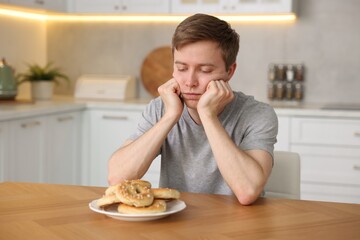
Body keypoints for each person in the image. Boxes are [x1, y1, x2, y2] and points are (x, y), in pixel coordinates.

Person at [108, 13, 278, 205]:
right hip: (176, 224)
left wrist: (208, 116)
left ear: (229, 71)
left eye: (205, 70)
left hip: (238, 227)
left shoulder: (257, 114)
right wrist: (170, 116)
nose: (190, 82)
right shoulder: (160, 108)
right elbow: (117, 177)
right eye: (181, 68)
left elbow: (247, 192)